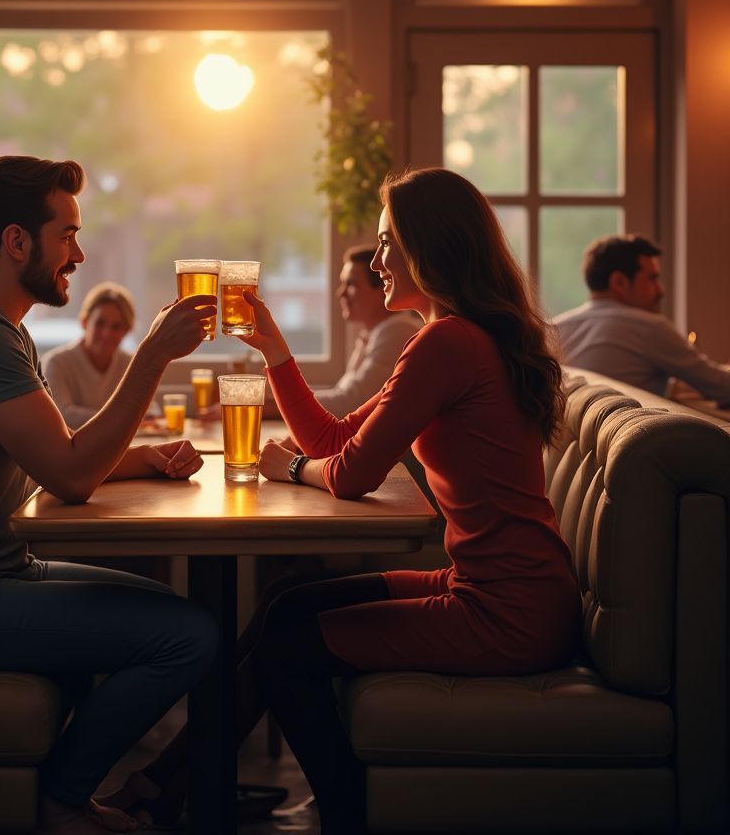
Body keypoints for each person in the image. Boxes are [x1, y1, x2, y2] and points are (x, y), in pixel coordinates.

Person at [106, 168, 580, 835]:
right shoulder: (458, 337)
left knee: (283, 652)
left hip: (506, 612)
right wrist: (275, 351)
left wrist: (294, 468)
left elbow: (349, 472)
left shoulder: (447, 343)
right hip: (501, 588)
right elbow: (336, 435)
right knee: (285, 601)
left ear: (429, 246)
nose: (378, 258)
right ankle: (165, 786)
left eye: (388, 243)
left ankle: (341, 814)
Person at [0, 155, 218, 835]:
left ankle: (111, 790)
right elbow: (69, 476)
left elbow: (49, 460)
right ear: (18, 242)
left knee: (174, 612)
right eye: (68, 236)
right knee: (188, 636)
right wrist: (150, 356)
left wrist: (144, 458)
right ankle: (62, 799)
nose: (79, 254)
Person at [553, 234, 730, 403]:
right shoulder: (649, 327)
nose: (661, 290)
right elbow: (721, 387)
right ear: (619, 282)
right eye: (652, 279)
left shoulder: (556, 328)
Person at [314, 245, 421, 415]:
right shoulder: (373, 335)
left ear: (381, 291)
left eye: (351, 284)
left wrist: (275, 403)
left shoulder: (397, 332)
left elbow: (352, 403)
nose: (341, 293)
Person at [42, 281, 159, 428]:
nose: (106, 334)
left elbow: (149, 410)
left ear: (126, 331)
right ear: (84, 322)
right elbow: (63, 415)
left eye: (116, 327)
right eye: (100, 323)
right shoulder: (57, 363)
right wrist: (123, 418)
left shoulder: (131, 364)